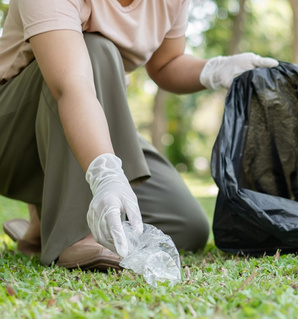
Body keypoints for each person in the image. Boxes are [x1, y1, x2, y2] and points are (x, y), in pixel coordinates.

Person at [0, 0, 278, 271]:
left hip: (86, 113)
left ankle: (40, 227)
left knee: (184, 224)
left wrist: (215, 70)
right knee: (96, 47)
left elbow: (166, 64)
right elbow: (71, 85)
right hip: (13, 132)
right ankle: (73, 236)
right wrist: (105, 174)